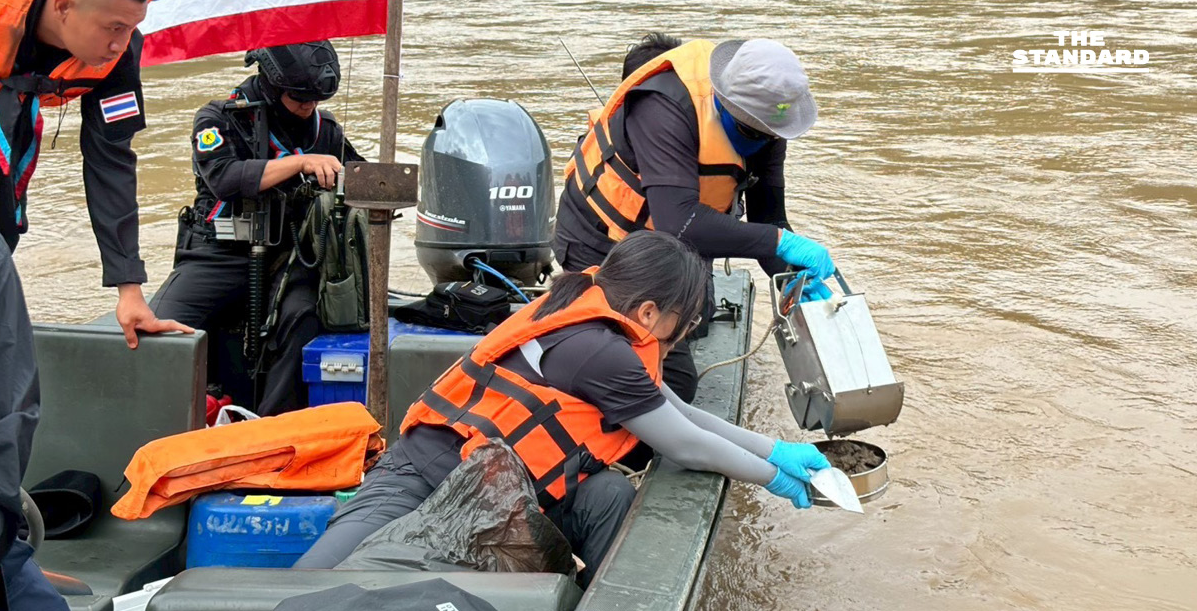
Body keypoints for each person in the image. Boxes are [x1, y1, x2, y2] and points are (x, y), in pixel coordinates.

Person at [294, 231, 832, 588]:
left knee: (608, 495)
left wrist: (780, 451)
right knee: (313, 584)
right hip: (425, 474)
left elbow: (675, 410)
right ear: (648, 310)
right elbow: (683, 444)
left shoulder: (592, 304)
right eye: (682, 325)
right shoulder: (599, 348)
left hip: (505, 490)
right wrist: (773, 479)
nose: (677, 340)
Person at [0, 0, 193, 608]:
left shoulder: (116, 49)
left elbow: (110, 156)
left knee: (12, 395)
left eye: (132, 27)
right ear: (62, 8)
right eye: (112, 27)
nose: (123, 42)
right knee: (11, 389)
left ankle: (7, 544)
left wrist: (129, 289)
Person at [553, 37, 836, 404]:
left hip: (671, 241)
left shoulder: (770, 120)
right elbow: (679, 221)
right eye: (757, 132)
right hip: (605, 239)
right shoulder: (664, 107)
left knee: (697, 321)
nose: (768, 141)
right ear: (730, 105)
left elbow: (769, 217)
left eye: (773, 134)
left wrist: (792, 278)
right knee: (668, 384)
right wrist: (778, 241)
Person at [149, 40, 364, 417]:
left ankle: (271, 427)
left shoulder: (324, 129)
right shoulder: (218, 118)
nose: (309, 106)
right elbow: (225, 179)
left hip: (291, 256)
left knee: (305, 319)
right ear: (270, 84)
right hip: (218, 253)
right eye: (300, 99)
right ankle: (168, 420)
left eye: (315, 100)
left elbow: (362, 177)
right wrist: (301, 163)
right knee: (161, 333)